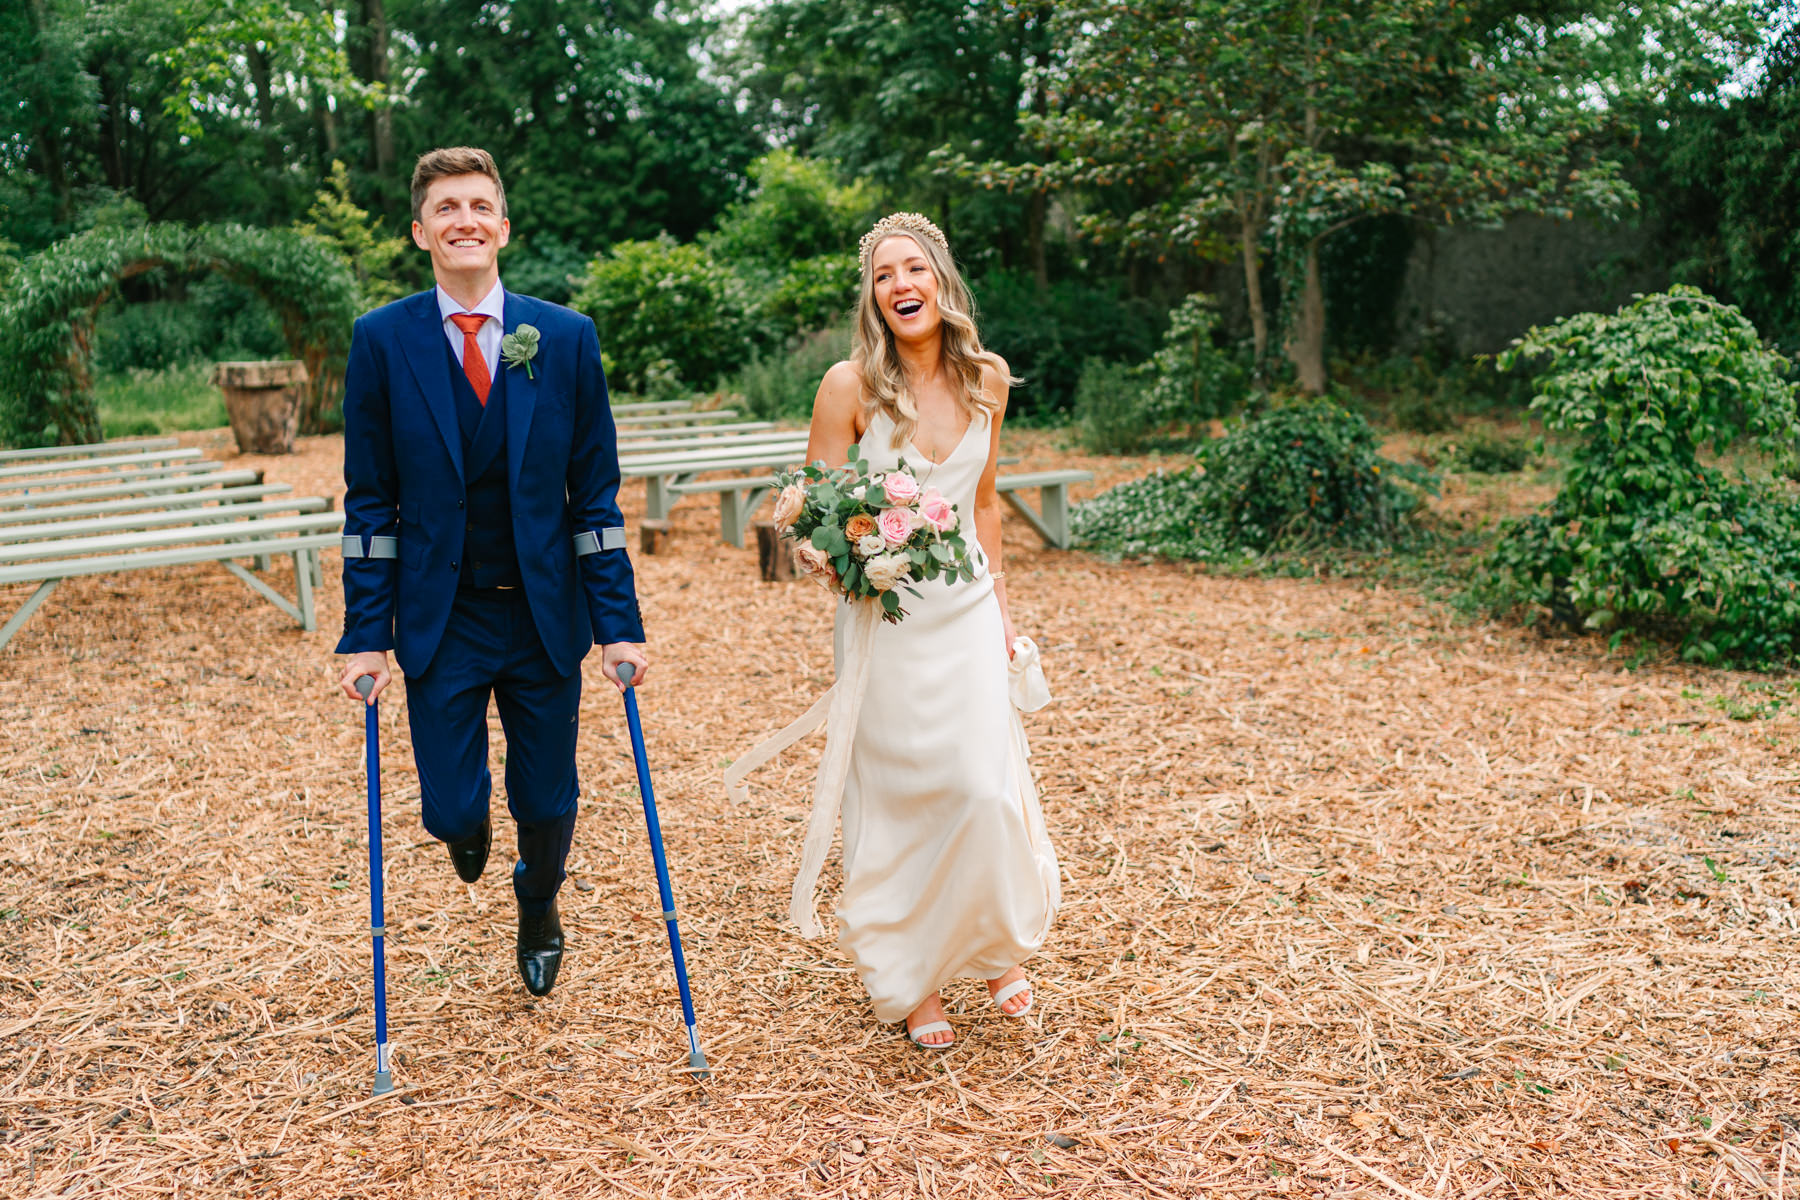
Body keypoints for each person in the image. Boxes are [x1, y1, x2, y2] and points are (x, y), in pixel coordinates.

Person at [335, 146, 648, 998]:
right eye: (446, 208)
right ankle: (465, 827)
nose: (464, 220)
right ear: (420, 231)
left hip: (543, 613)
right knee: (449, 809)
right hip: (441, 616)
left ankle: (538, 902)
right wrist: (365, 637)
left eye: (479, 206)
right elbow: (369, 505)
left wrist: (617, 621)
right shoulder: (381, 341)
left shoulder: (566, 339)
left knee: (546, 800)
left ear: (503, 227)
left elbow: (595, 498)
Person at [747, 212, 1060, 1048]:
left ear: (941, 281)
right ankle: (913, 980)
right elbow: (809, 507)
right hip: (884, 617)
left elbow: (984, 503)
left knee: (981, 784)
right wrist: (833, 553)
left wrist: (1001, 613)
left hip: (961, 611)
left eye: (913, 268)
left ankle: (995, 946)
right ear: (873, 296)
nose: (900, 285)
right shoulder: (848, 385)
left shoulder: (987, 377)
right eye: (884, 275)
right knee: (900, 797)